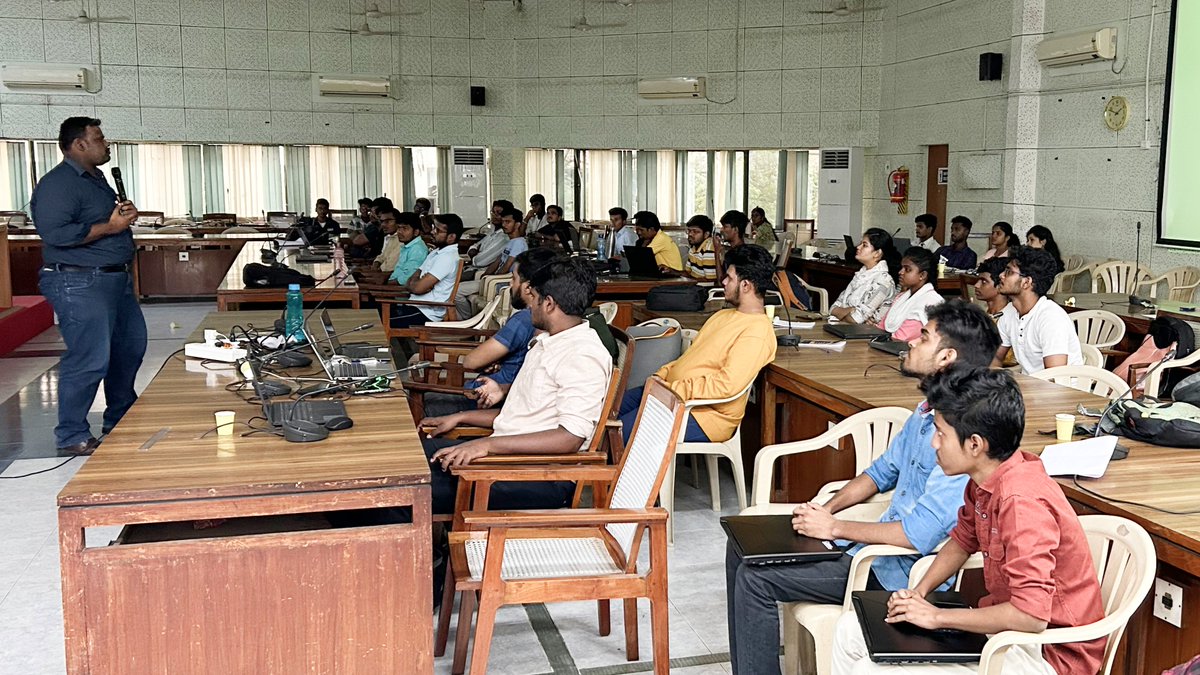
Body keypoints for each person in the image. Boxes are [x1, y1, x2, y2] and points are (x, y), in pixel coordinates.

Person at [727, 300, 999, 675]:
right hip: (864, 549)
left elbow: (917, 535)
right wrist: (828, 510)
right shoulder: (925, 414)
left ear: (946, 357)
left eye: (922, 338)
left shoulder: (962, 440)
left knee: (754, 581)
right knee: (740, 547)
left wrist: (834, 529)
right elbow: (879, 473)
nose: (909, 344)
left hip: (890, 573)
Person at [832, 367, 1105, 675]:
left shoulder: (1021, 502)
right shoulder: (985, 479)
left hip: (1045, 654)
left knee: (871, 670)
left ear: (975, 445)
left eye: (940, 434)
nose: (934, 443)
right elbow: (961, 541)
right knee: (849, 630)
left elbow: (1031, 617)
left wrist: (935, 617)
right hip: (1004, 634)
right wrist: (918, 594)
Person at [419, 257, 613, 514]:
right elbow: (523, 416)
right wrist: (461, 416)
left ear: (549, 303)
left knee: (404, 490)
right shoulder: (547, 341)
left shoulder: (582, 355)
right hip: (508, 457)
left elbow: (570, 438)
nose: (529, 304)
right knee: (408, 456)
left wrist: (485, 446)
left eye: (533, 298)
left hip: (538, 476)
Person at [31, 117, 147, 455]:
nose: (106, 143)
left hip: (114, 278)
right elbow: (55, 234)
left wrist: (121, 218)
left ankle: (120, 418)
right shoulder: (59, 184)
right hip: (79, 280)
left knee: (128, 350)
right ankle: (71, 435)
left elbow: (101, 221)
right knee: (89, 358)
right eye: (99, 138)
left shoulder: (96, 180)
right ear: (79, 144)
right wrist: (110, 228)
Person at [618, 244, 777, 445]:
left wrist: (673, 389)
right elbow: (689, 359)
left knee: (617, 434)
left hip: (704, 414)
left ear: (746, 285)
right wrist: (661, 376)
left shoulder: (757, 331)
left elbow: (726, 386)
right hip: (672, 393)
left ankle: (583, 475)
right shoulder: (723, 315)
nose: (723, 281)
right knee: (604, 412)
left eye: (729, 277)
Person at [419, 248, 558, 418]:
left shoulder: (524, 320)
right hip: (504, 401)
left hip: (483, 401)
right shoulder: (553, 321)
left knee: (417, 403)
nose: (510, 285)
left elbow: (471, 362)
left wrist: (492, 359)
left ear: (528, 287)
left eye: (514, 279)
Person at [992, 246, 1083, 373]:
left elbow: (1055, 376)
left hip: (1062, 390)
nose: (1001, 276)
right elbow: (995, 356)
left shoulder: (1050, 318)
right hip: (1030, 386)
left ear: (1026, 282)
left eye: (1008, 272)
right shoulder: (1009, 312)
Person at [390, 213, 464, 329]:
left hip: (425, 313)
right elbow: (413, 279)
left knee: (377, 321)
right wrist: (415, 284)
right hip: (414, 304)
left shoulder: (447, 257)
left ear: (451, 237)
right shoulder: (436, 252)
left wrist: (414, 285)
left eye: (438, 230)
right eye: (434, 228)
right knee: (373, 313)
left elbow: (417, 288)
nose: (432, 232)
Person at [456, 207, 529, 317]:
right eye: (503, 221)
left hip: (502, 282)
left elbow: (507, 266)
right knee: (457, 288)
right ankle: (469, 318)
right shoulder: (511, 242)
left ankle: (466, 319)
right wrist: (485, 276)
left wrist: (490, 279)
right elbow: (497, 262)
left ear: (518, 224)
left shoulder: (519, 243)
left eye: (508, 222)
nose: (504, 225)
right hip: (492, 280)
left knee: (457, 292)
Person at [830, 228, 900, 325]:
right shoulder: (861, 274)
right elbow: (833, 308)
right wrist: (851, 310)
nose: (858, 247)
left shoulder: (884, 281)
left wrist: (845, 313)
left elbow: (856, 319)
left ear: (877, 253)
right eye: (860, 243)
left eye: (864, 245)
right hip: (843, 328)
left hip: (864, 335)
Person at [877, 247, 943, 342]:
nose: (900, 272)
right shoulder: (902, 297)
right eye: (902, 268)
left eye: (907, 269)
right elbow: (880, 327)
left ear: (922, 275)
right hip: (890, 346)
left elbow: (901, 338)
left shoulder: (929, 302)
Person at [973, 256, 1018, 367]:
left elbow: (1008, 358)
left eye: (984, 281)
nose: (976, 285)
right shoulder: (982, 313)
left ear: (1000, 284)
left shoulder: (1012, 317)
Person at [385, 211, 429, 286]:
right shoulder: (408, 246)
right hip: (394, 288)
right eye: (398, 228)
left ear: (416, 232)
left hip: (401, 293)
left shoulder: (418, 249)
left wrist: (385, 284)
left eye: (405, 228)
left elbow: (406, 279)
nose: (399, 232)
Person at [467, 199, 512, 268]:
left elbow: (480, 262)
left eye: (498, 213)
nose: (494, 215)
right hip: (473, 266)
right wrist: (475, 249)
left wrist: (477, 253)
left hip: (482, 272)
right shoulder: (492, 231)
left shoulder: (504, 237)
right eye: (493, 212)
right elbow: (476, 245)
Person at [683, 214, 719, 281]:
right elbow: (688, 273)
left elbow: (711, 281)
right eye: (689, 231)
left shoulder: (709, 249)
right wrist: (671, 271)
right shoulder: (693, 247)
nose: (690, 234)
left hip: (704, 289)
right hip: (694, 285)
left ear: (706, 234)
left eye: (695, 231)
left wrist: (690, 282)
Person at [370, 208, 401, 274]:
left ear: (398, 222)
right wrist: (376, 262)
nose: (383, 225)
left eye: (387, 221)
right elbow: (382, 256)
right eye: (382, 222)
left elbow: (389, 267)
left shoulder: (402, 240)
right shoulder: (390, 237)